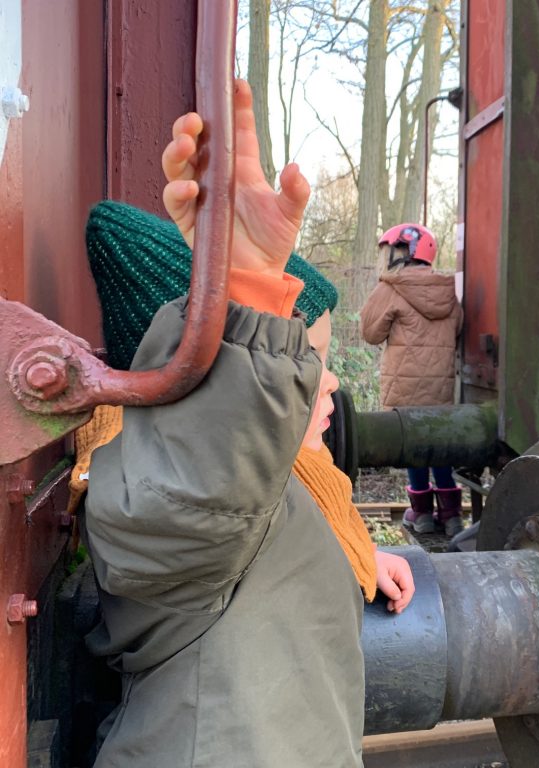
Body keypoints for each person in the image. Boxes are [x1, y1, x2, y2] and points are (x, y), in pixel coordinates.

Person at [77, 79, 413, 768]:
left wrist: (349, 553)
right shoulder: (186, 492)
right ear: (206, 383)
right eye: (299, 361)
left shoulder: (274, 496)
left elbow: (262, 528)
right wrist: (245, 293)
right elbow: (205, 487)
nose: (328, 383)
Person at [360, 223, 464, 537]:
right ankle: (452, 515)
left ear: (401, 253)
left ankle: (422, 516)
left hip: (404, 390)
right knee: (439, 446)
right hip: (440, 388)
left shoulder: (391, 288)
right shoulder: (450, 291)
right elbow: (457, 331)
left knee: (414, 448)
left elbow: (370, 333)